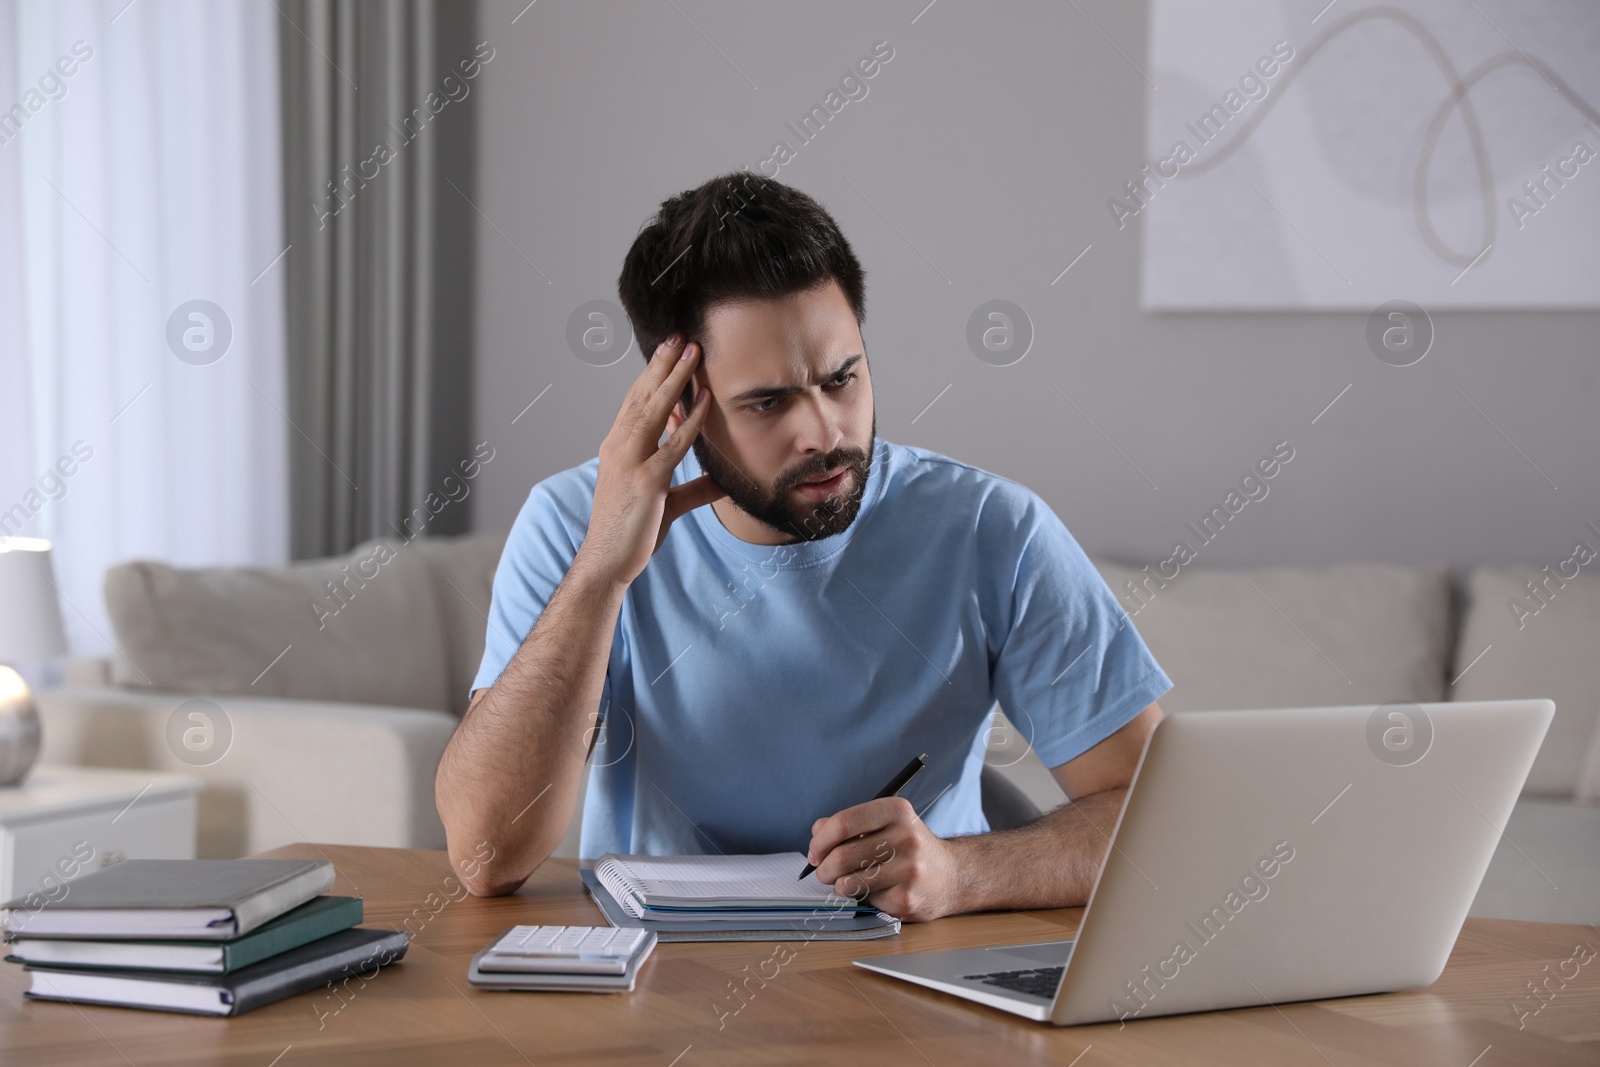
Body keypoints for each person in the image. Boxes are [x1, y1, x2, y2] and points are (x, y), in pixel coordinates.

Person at [435, 172, 1172, 921]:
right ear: (679, 403)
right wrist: (601, 573)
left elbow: (1161, 820)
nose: (825, 433)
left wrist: (963, 873)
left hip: (914, 985)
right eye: (768, 402)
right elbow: (486, 856)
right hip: (658, 992)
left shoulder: (994, 530)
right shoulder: (571, 524)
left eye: (842, 379)